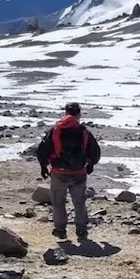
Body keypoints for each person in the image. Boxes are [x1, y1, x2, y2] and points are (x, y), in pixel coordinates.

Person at [36, 102, 102, 241]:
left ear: (65, 112)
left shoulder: (55, 129)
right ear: (79, 114)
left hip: (59, 172)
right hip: (79, 172)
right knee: (79, 202)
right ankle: (81, 230)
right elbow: (95, 151)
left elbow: (43, 150)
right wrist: (90, 165)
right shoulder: (84, 131)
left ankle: (60, 230)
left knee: (58, 202)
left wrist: (43, 166)